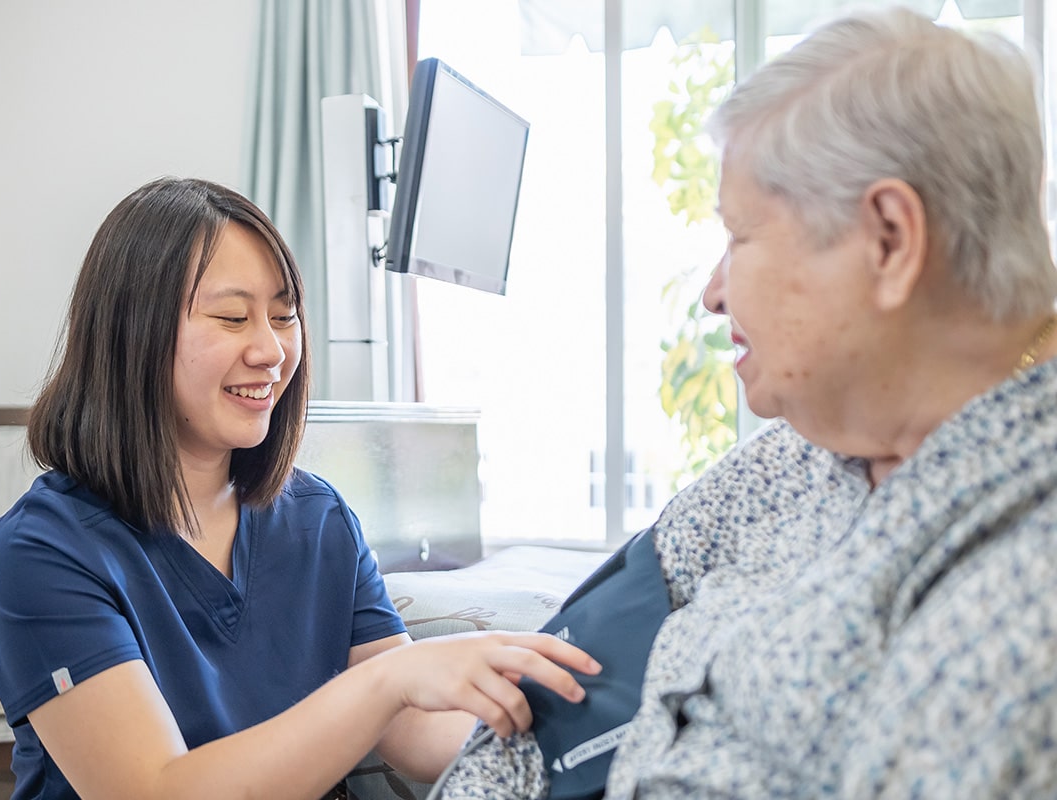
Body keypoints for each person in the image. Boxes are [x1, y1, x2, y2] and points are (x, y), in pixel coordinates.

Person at [433, 5, 1057, 798]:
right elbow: (560, 675)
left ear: (890, 241)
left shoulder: (1018, 607)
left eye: (741, 237)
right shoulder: (804, 457)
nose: (712, 292)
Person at [0, 177, 601, 800]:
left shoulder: (317, 518)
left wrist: (573, 725)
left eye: (284, 316)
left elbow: (414, 732)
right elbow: (154, 790)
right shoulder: (47, 551)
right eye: (231, 318)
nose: (272, 350)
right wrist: (387, 683)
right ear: (131, 334)